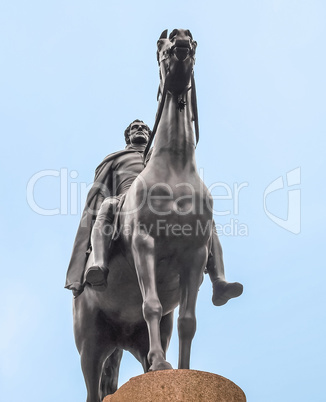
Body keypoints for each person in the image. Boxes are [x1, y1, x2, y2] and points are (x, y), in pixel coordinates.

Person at [65, 120, 243, 304]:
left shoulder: (158, 156)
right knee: (107, 206)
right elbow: (100, 188)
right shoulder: (116, 158)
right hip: (125, 200)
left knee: (205, 217)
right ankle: (100, 265)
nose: (140, 129)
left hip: (163, 199)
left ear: (150, 135)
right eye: (135, 128)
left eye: (143, 128)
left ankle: (218, 281)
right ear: (128, 136)